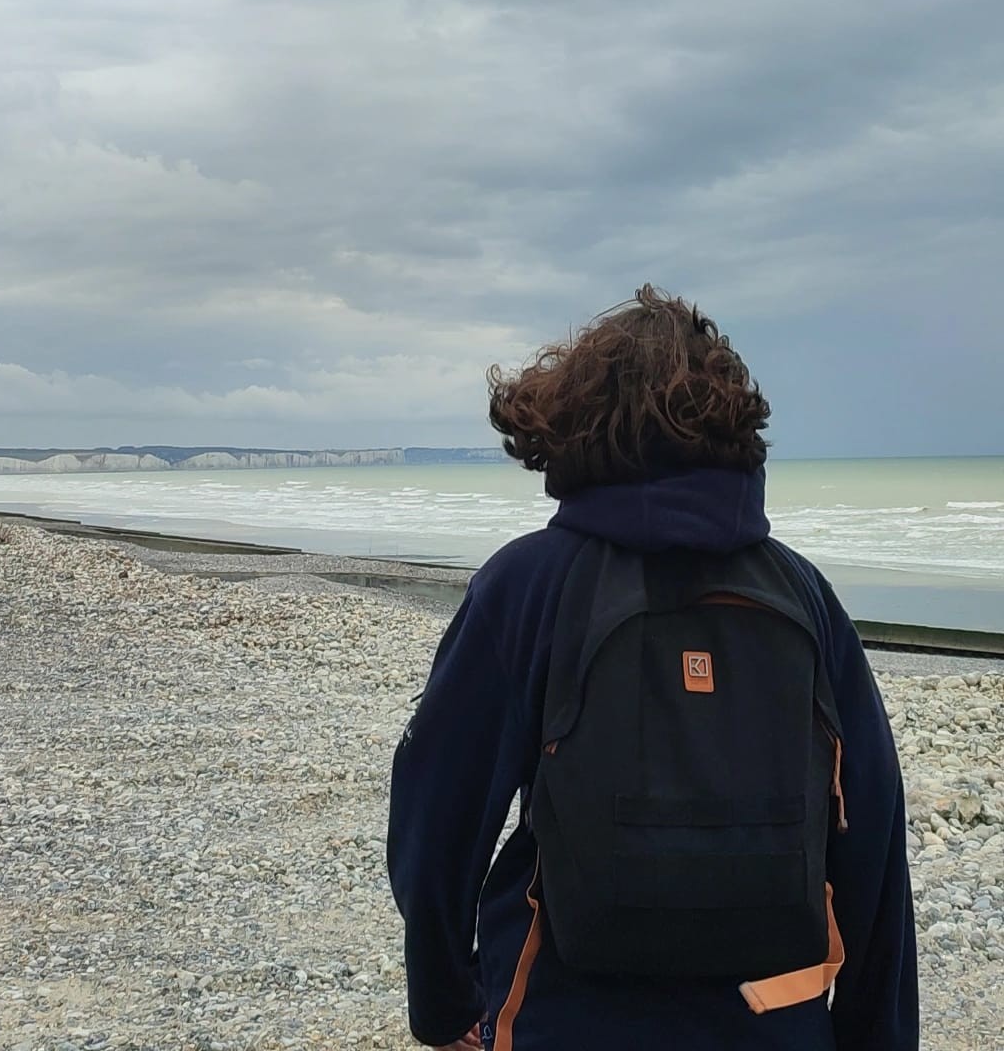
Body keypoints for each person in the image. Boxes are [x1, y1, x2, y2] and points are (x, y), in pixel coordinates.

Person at [387, 286, 918, 1050]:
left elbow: (439, 812)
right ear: (737, 425)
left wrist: (442, 1004)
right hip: (776, 1021)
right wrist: (876, 1037)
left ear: (573, 425)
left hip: (563, 1015)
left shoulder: (527, 583)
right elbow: (872, 837)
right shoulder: (801, 593)